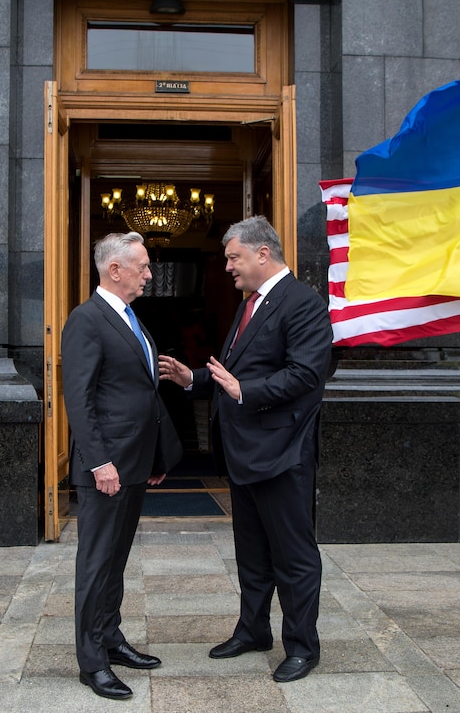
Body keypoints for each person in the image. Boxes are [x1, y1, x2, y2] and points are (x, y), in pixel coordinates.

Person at [158, 216, 333, 683]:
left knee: (294, 557)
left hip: (282, 453)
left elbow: (307, 374)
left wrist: (245, 391)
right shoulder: (251, 303)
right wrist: (193, 378)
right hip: (244, 453)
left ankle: (302, 647)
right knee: (251, 552)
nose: (229, 267)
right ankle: (253, 630)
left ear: (262, 253)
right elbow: (234, 369)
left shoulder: (303, 303)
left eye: (234, 257)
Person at [62, 231, 183, 701]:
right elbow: (81, 399)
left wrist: (151, 457)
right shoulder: (86, 320)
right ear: (115, 270)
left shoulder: (131, 318)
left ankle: (110, 639)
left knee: (115, 561)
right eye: (144, 267)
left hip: (133, 464)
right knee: (95, 564)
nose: (150, 275)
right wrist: (100, 463)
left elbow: (139, 392)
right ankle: (91, 663)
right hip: (106, 469)